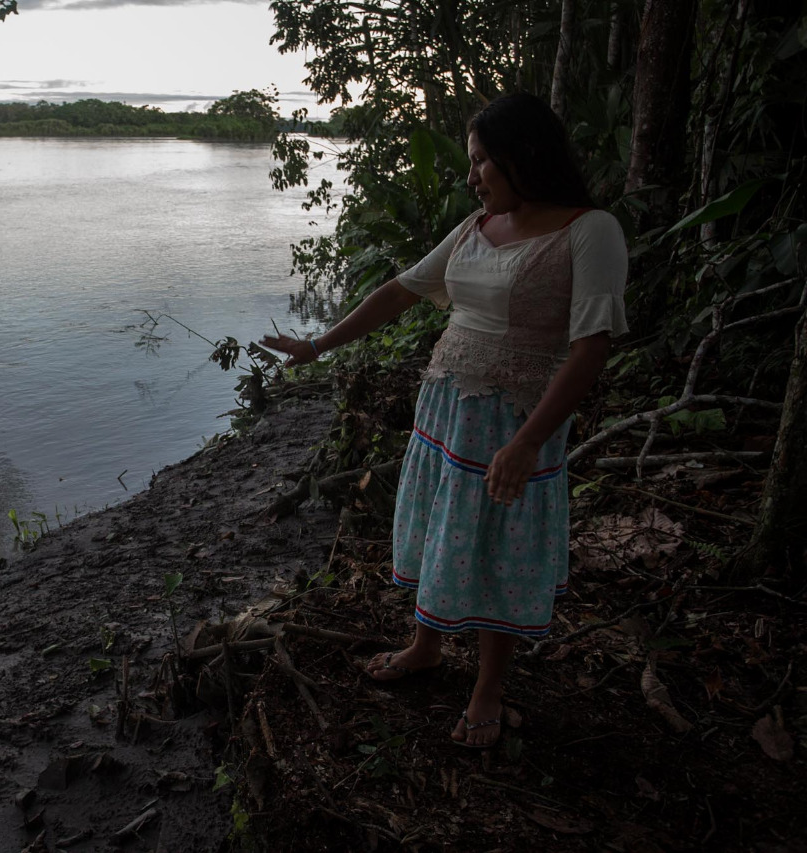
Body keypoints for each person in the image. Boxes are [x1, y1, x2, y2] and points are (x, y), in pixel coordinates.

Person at [262, 93, 628, 748]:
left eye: (482, 160)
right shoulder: (473, 228)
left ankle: (488, 687)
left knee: (495, 544)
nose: (472, 175)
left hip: (515, 419)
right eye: (471, 160)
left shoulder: (589, 230)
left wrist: (529, 442)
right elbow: (398, 291)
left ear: (524, 155)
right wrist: (316, 346)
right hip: (446, 407)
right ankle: (425, 645)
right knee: (443, 525)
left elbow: (590, 348)